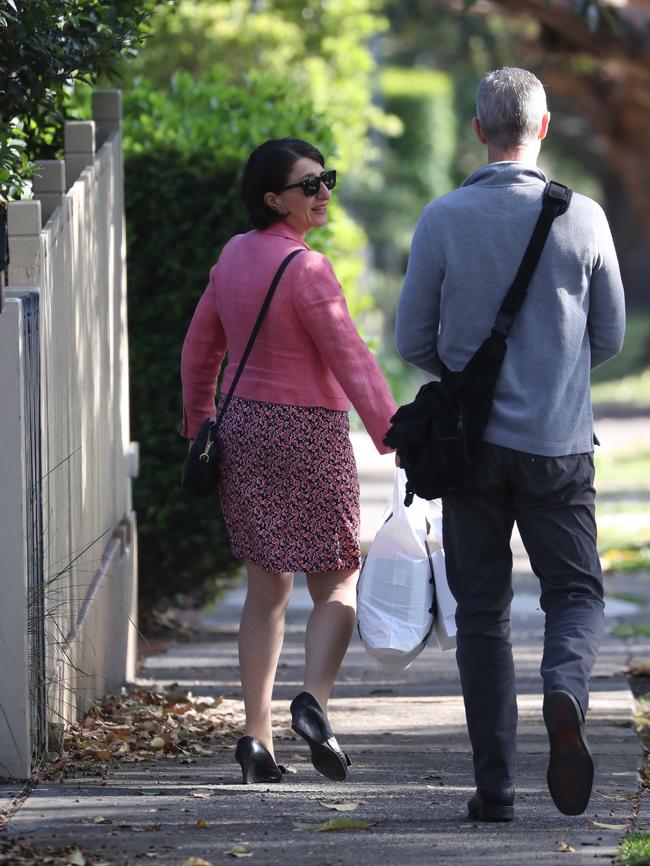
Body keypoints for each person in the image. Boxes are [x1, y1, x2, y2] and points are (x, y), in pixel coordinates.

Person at [395, 67, 625, 821]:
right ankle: (565, 685)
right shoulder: (584, 218)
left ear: (476, 130)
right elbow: (612, 337)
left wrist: (466, 382)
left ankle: (494, 785)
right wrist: (551, 371)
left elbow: (412, 339)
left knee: (483, 612)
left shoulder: (441, 218)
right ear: (545, 128)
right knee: (575, 592)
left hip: (471, 451)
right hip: (559, 446)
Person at [181, 137, 397, 784]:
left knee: (264, 586)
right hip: (309, 430)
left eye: (326, 178)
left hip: (244, 427)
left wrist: (201, 423)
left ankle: (255, 737)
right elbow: (349, 356)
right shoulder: (310, 270)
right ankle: (315, 703)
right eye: (309, 184)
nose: (323, 191)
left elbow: (199, 349)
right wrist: (392, 430)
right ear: (273, 199)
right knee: (334, 578)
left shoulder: (232, 257)